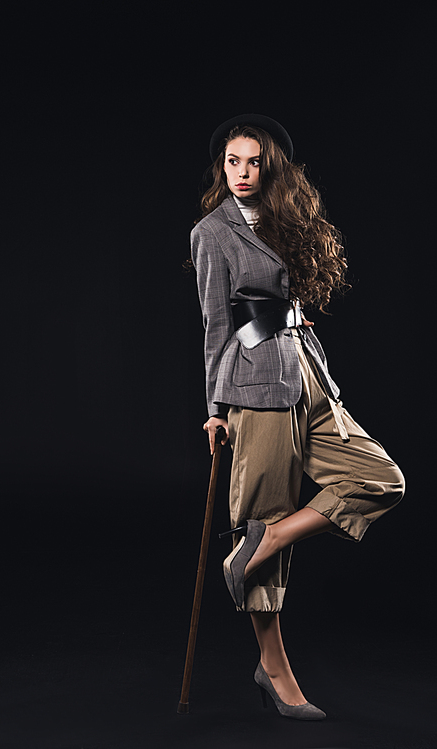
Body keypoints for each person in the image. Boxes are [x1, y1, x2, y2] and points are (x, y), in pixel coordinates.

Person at [190, 113, 404, 720]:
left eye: (253, 161)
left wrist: (295, 323)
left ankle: (272, 536)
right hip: (254, 387)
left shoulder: (289, 222)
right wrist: (214, 409)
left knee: (381, 478)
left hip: (308, 376)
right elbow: (215, 327)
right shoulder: (212, 233)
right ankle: (276, 670)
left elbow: (286, 299)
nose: (242, 173)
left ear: (272, 167)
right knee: (258, 516)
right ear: (220, 167)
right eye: (232, 161)